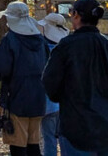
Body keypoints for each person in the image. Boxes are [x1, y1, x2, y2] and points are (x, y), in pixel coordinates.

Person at [42, 0, 108, 156]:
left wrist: (64, 98)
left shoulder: (66, 47)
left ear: (75, 15)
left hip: (77, 126)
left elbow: (50, 83)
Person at [0, 2, 49, 156]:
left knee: (18, 146)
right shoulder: (40, 40)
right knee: (33, 144)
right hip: (39, 98)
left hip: (16, 98)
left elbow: (2, 69)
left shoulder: (9, 40)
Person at [36, 13, 68, 156]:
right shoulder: (68, 48)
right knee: (65, 139)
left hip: (48, 102)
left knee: (49, 138)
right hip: (67, 102)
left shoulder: (40, 48)